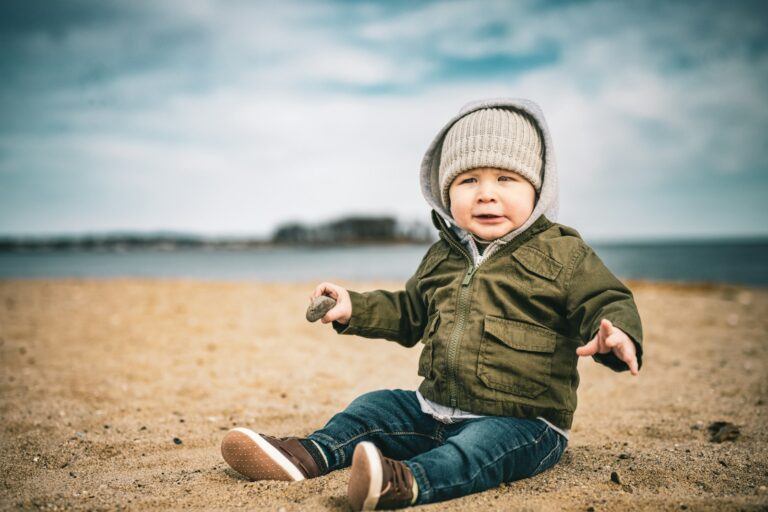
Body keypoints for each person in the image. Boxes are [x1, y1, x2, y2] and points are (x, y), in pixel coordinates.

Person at [220, 98, 643, 510]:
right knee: (374, 406)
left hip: (524, 422)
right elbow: (410, 312)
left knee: (478, 450)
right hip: (433, 412)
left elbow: (604, 298)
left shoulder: (564, 255)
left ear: (538, 188)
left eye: (506, 179)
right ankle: (308, 455)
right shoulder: (442, 256)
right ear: (445, 192)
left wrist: (616, 334)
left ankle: (404, 482)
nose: (486, 194)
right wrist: (353, 307)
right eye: (468, 180)